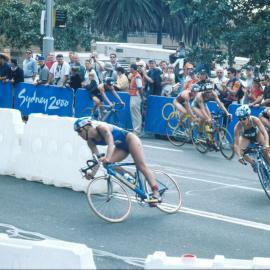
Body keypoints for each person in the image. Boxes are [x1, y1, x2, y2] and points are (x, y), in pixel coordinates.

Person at [73, 117, 161, 204]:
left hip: (130, 139)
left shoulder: (102, 128)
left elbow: (110, 143)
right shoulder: (90, 142)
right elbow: (96, 160)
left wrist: (107, 158)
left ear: (87, 127)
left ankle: (156, 193)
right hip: (121, 148)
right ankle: (132, 178)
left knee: (140, 166)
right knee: (108, 165)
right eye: (77, 132)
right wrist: (92, 174)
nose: (79, 134)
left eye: (79, 131)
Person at [234, 105, 270, 172]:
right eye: (239, 119)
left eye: (244, 118)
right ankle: (253, 163)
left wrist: (267, 144)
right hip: (246, 137)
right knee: (241, 151)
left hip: (257, 135)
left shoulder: (255, 120)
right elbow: (236, 144)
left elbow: (265, 133)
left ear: (248, 116)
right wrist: (239, 156)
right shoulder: (237, 127)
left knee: (265, 151)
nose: (242, 121)